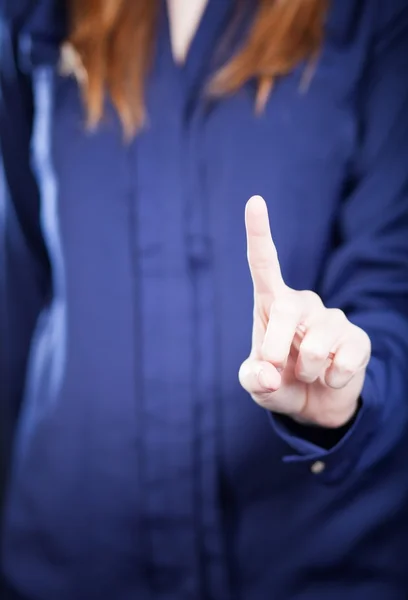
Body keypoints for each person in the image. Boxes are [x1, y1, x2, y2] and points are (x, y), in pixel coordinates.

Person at [1, 0, 408, 598]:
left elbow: (395, 281)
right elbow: (19, 284)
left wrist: (348, 393)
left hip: (316, 561)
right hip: (73, 560)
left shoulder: (373, 19)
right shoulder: (36, 17)